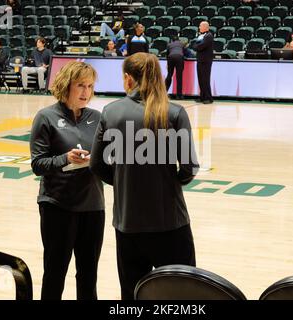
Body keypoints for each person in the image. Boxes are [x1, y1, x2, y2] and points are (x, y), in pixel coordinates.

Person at [90, 52, 199, 300]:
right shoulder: (174, 112)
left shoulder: (110, 111)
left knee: (132, 295)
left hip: (128, 224)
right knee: (182, 295)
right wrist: (170, 182)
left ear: (128, 79)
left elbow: (96, 164)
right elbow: (189, 167)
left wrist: (121, 180)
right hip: (170, 223)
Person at [30, 61, 105, 300]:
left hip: (93, 207)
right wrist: (65, 158)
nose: (86, 92)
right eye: (80, 85)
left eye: (90, 86)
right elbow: (38, 164)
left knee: (88, 275)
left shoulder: (98, 118)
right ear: (66, 85)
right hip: (58, 206)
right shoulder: (46, 117)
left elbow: (110, 156)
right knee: (54, 274)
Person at [193, 21, 214, 104]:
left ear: (206, 27)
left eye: (200, 26)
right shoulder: (201, 36)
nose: (199, 27)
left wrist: (196, 46)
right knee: (200, 79)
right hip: (200, 60)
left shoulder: (209, 36)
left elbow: (200, 46)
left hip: (206, 61)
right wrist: (196, 46)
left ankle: (208, 98)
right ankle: (202, 96)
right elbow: (194, 45)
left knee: (205, 79)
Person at [165, 36, 186, 100]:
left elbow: (167, 54)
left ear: (172, 40)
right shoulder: (181, 44)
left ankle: (164, 93)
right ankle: (179, 95)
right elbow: (185, 52)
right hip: (179, 58)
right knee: (179, 77)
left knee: (169, 75)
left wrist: (167, 63)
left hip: (171, 57)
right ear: (178, 40)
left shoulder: (169, 44)